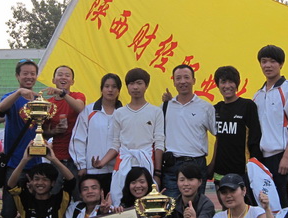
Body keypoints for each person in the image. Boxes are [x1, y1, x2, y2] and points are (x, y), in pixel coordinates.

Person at [93, 68, 164, 205]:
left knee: (147, 203)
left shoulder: (156, 112)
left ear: (146, 85)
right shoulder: (119, 113)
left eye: (139, 83)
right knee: (120, 202)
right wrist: (102, 162)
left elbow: (159, 143)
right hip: (124, 163)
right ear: (127, 87)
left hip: (146, 163)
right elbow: (116, 144)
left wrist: (157, 173)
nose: (135, 87)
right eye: (131, 84)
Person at [253, 45, 288, 207]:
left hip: (283, 156)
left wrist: (287, 156)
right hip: (263, 158)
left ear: (281, 64)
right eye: (264, 61)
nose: (268, 65)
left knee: (287, 202)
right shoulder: (258, 95)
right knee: (268, 204)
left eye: (272, 61)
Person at [0, 59, 42, 218]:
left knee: (33, 209)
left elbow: (43, 130)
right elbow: (1, 109)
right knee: (8, 210)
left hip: (36, 164)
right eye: (25, 73)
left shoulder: (41, 100)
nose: (29, 77)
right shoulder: (11, 97)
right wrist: (18, 93)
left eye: (32, 73)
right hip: (14, 164)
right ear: (17, 76)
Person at [160, 64, 216, 198]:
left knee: (195, 205)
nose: (182, 81)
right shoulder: (165, 107)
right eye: (178, 78)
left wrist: (213, 164)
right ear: (174, 82)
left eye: (186, 77)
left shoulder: (205, 107)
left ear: (194, 80)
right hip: (172, 165)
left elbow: (218, 135)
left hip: (196, 163)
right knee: (171, 206)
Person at [209, 66, 262, 194]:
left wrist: (255, 169)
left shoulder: (247, 106)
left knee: (244, 204)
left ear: (237, 84)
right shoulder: (215, 109)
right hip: (220, 171)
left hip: (242, 172)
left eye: (231, 82)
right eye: (223, 82)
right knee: (225, 204)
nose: (227, 86)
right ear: (217, 85)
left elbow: (255, 138)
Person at [69, 73, 123, 194]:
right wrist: (81, 165)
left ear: (119, 90)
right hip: (92, 170)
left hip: (117, 170)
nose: (110, 90)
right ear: (101, 89)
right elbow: (78, 139)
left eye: (114, 87)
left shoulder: (123, 113)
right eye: (107, 86)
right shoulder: (89, 111)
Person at [44, 65, 86, 191]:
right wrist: (53, 131)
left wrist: (62, 94)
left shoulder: (78, 96)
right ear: (53, 80)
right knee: (55, 195)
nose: (63, 77)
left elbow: (80, 108)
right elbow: (44, 132)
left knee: (78, 196)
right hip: (57, 158)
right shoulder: (48, 103)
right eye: (60, 75)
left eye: (67, 75)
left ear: (72, 81)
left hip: (77, 159)